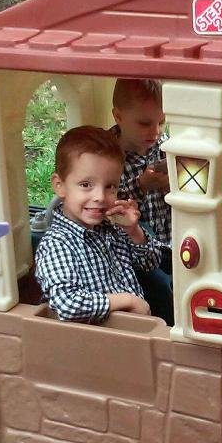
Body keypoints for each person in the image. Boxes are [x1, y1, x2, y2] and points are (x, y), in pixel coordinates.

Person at [35, 125, 161, 323]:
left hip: (131, 331)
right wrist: (128, 300)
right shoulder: (57, 243)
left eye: (110, 186)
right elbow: (67, 305)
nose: (100, 197)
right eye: (86, 185)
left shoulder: (112, 227)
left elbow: (151, 262)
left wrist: (134, 231)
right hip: (91, 339)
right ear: (60, 185)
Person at [109, 78, 174, 325]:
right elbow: (108, 207)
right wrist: (141, 186)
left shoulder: (164, 146)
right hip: (131, 254)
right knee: (162, 291)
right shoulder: (107, 154)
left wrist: (175, 185)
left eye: (161, 122)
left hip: (169, 242)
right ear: (119, 116)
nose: (155, 131)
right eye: (145, 123)